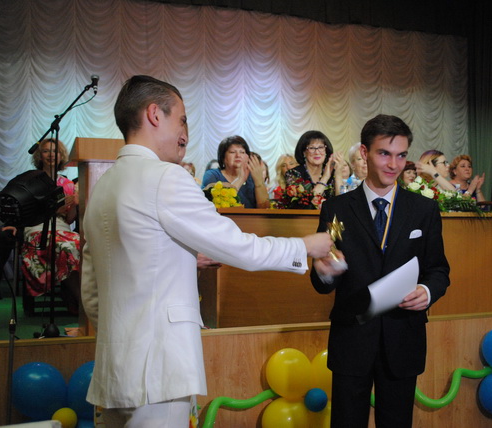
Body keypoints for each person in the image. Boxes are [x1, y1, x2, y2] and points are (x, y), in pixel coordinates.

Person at [80, 75, 334, 427]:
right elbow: (239, 247)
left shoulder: (104, 185)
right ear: (154, 114)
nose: (185, 133)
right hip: (160, 370)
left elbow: (92, 290)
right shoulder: (166, 177)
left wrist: (182, 261)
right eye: (182, 119)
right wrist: (304, 245)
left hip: (115, 368)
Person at [310, 114, 450, 427]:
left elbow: (438, 269)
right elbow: (321, 281)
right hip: (351, 339)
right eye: (384, 153)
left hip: (403, 338)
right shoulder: (336, 209)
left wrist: (427, 291)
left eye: (401, 155)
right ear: (364, 152)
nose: (393, 164)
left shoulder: (424, 209)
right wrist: (325, 270)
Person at [21, 138, 81, 314]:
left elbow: (69, 220)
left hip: (62, 228)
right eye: (46, 151)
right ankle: (81, 301)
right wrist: (54, 210)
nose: (51, 155)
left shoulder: (68, 184)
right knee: (67, 247)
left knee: (82, 246)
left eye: (55, 151)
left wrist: (74, 204)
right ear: (40, 156)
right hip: (37, 227)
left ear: (61, 155)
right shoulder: (30, 181)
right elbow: (26, 212)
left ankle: (77, 298)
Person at [200, 136, 269, 208]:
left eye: (242, 152)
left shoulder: (252, 176)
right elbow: (218, 205)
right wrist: (240, 179)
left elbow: (264, 208)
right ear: (223, 157)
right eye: (232, 152)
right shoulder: (212, 175)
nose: (238, 155)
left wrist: (259, 182)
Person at [285, 130, 347, 206]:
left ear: (326, 151)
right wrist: (325, 177)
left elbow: (342, 203)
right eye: (312, 148)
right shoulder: (293, 173)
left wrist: (338, 173)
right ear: (304, 152)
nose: (317, 152)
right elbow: (309, 204)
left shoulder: (332, 173)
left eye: (321, 147)